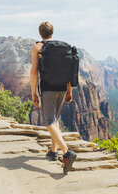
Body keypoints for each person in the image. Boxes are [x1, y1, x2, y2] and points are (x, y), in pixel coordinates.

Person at [30, 21, 77, 174]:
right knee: (55, 118)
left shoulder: (38, 47)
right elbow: (69, 72)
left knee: (48, 120)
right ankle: (53, 151)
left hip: (48, 88)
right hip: (63, 87)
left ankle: (66, 151)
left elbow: (34, 71)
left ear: (40, 33)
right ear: (52, 32)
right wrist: (69, 90)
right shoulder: (64, 47)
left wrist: (34, 93)